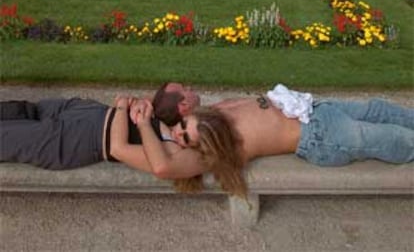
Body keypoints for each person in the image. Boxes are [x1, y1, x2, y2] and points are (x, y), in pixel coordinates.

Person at [0, 94, 246, 197]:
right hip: (78, 112)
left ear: (199, 148)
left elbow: (117, 148)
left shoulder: (174, 153)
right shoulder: (169, 135)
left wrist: (124, 108)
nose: (178, 131)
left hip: (66, 140)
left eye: (186, 137)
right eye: (183, 124)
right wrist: (137, 104)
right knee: (13, 110)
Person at [152, 83, 414, 167]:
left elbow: (161, 111)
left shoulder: (212, 111)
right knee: (390, 137)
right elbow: (168, 165)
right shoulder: (214, 143)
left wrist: (148, 107)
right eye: (184, 90)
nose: (189, 87)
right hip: (319, 136)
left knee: (376, 108)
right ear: (182, 107)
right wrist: (165, 131)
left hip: (312, 109)